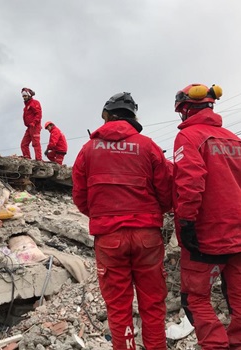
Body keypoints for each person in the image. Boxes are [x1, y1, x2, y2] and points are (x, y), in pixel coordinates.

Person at [72, 92, 172, 349]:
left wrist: (102, 217)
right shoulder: (148, 146)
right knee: (152, 305)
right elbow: (166, 192)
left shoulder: (88, 150)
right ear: (133, 117)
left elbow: (80, 196)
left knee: (118, 308)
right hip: (147, 237)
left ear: (106, 116)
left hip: (109, 239)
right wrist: (152, 214)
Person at [173, 83, 241, 349]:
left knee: (195, 298)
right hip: (238, 235)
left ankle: (214, 345)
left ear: (185, 110)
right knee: (238, 297)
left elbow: (190, 182)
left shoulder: (188, 138)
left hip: (206, 236)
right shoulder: (234, 138)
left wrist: (187, 222)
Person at [20, 87, 42, 160]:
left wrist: (34, 123)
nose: (24, 98)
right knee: (24, 144)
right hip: (29, 127)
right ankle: (27, 157)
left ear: (29, 95)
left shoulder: (35, 103)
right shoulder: (27, 105)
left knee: (35, 143)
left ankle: (38, 159)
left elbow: (38, 114)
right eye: (23, 96)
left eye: (25, 96)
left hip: (34, 126)